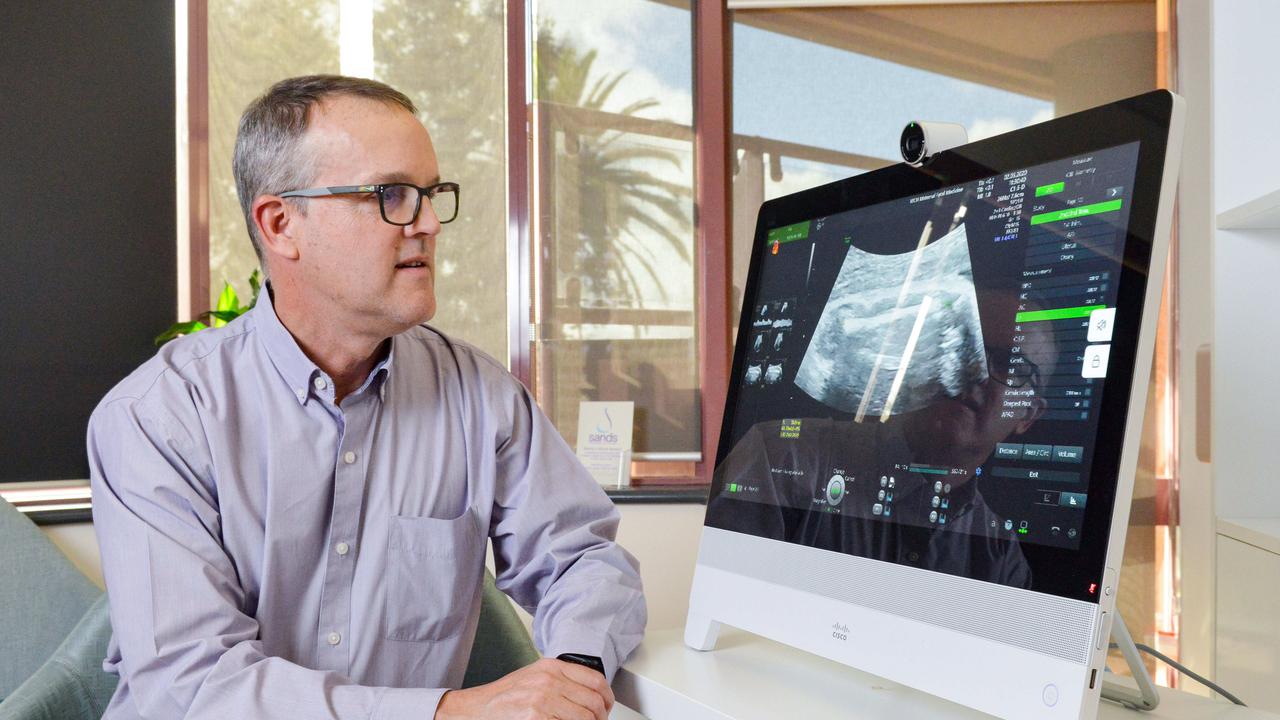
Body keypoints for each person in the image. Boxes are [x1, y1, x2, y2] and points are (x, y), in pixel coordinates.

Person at [88, 75, 645, 720]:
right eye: (393, 196)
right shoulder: (159, 418)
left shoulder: (481, 398)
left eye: (432, 195)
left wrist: (575, 670)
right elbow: (191, 689)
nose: (431, 223)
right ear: (280, 224)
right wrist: (453, 713)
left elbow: (585, 559)